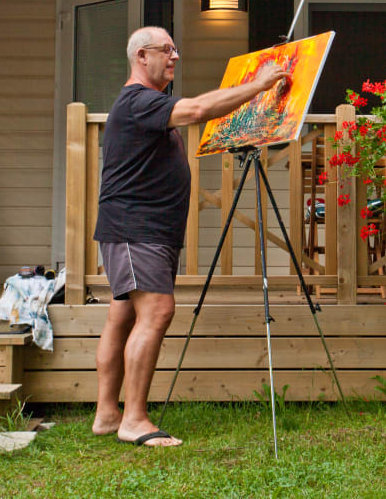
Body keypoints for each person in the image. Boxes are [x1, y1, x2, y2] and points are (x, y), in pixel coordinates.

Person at [90, 26, 289, 447]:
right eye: (166, 50)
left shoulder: (146, 103)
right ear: (142, 56)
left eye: (176, 49)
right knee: (158, 310)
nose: (175, 56)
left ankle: (108, 415)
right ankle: (134, 420)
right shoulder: (139, 100)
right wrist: (259, 85)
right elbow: (198, 109)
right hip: (136, 228)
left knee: (122, 315)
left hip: (143, 229)